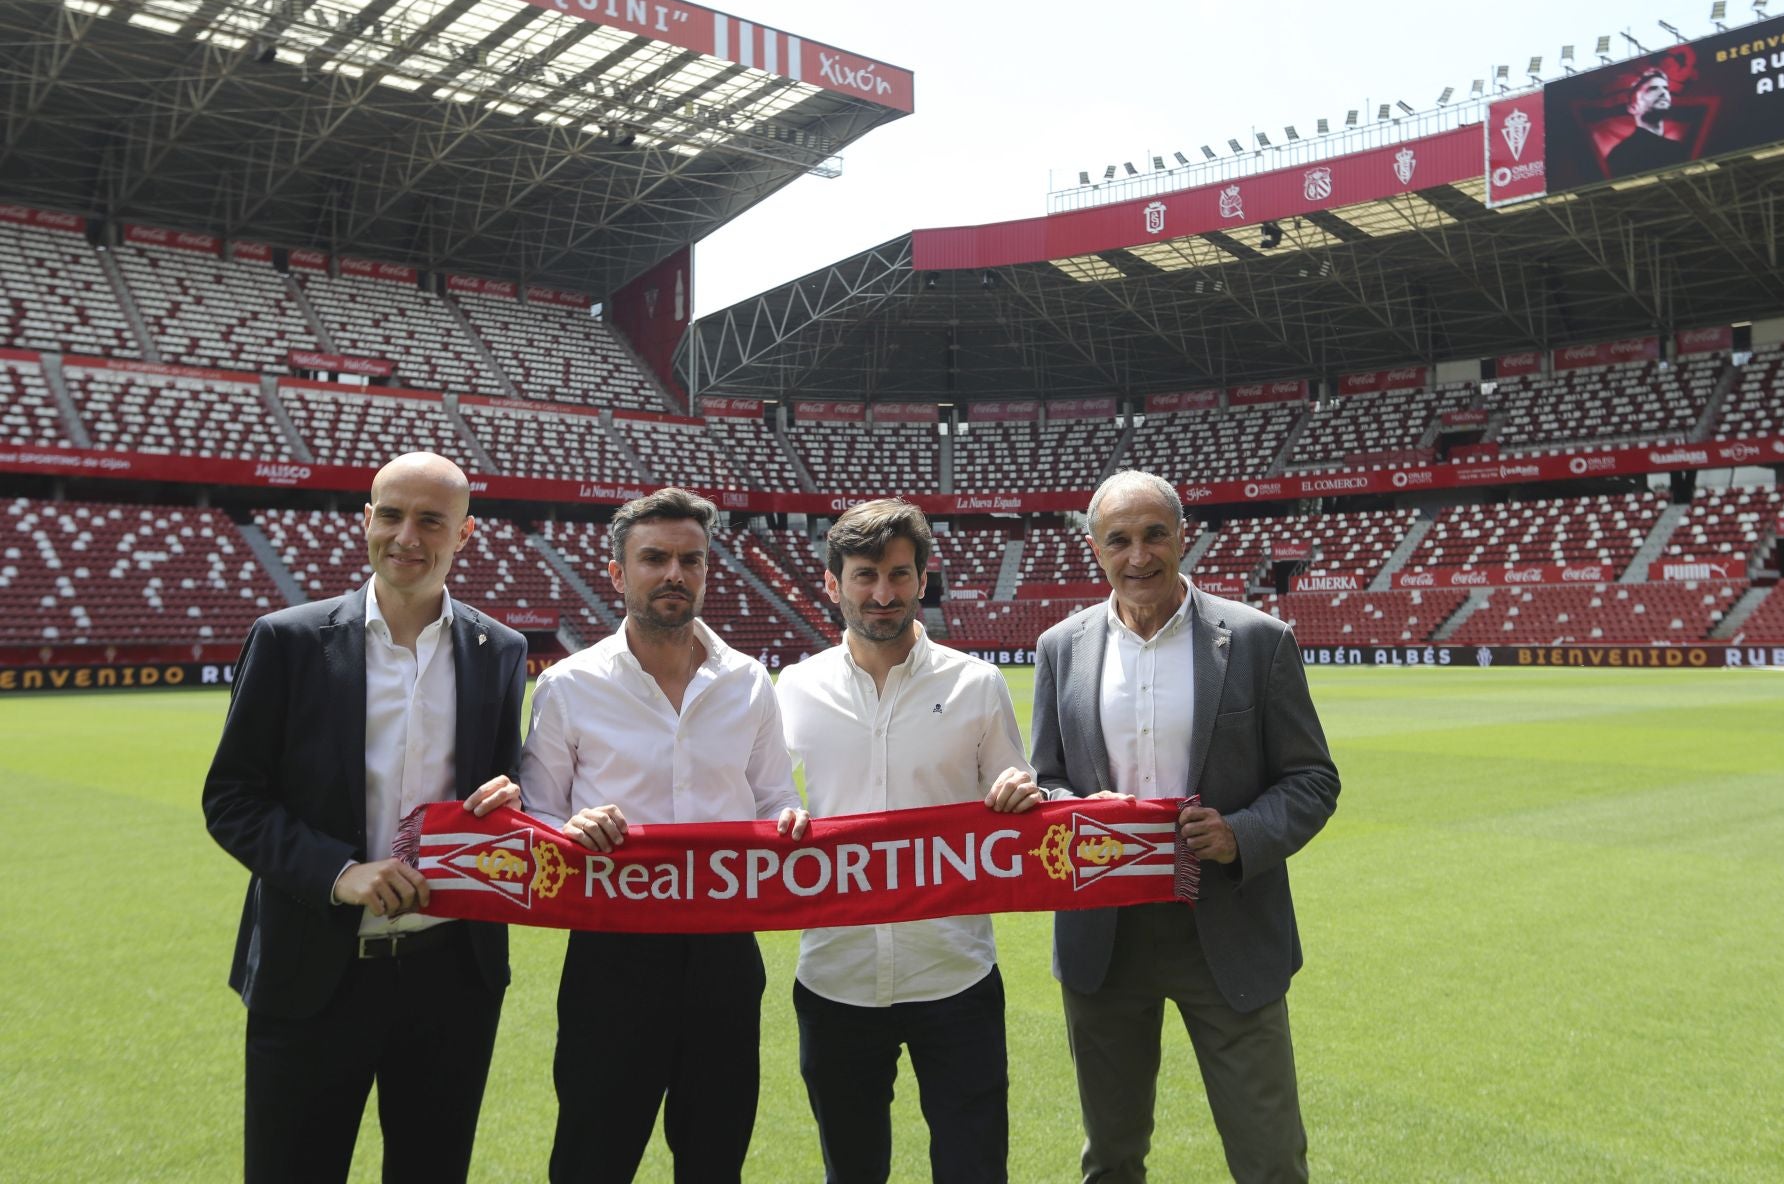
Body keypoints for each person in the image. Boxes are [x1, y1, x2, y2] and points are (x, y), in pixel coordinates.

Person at [203, 451, 529, 1183]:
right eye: (390, 514)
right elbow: (232, 799)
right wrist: (340, 873)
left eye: (430, 520)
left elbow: (508, 793)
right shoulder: (288, 639)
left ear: (465, 535)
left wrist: (510, 806)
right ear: (365, 522)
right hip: (314, 973)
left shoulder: (499, 650)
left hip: (453, 979)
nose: (406, 536)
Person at [1030, 470, 1341, 1184]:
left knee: (1270, 1161)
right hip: (1104, 941)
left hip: (1228, 929)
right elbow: (1047, 777)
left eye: (1154, 535)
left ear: (1183, 536)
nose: (1138, 556)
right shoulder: (1060, 648)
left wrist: (1240, 833)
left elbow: (1313, 780)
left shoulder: (1260, 640)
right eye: (1119, 540)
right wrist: (1075, 811)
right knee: (1111, 1158)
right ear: (1094, 549)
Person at [520, 488, 810, 1184]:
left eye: (690, 559)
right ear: (619, 574)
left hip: (724, 958)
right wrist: (568, 829)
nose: (674, 574)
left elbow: (773, 798)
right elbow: (532, 821)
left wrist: (790, 822)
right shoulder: (567, 686)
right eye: (654, 559)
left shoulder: (747, 682)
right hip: (611, 959)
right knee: (593, 1156)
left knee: (715, 1158)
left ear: (708, 571)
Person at [776, 499, 1041, 1184]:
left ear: (922, 580)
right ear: (834, 585)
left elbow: (1016, 792)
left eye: (899, 574)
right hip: (837, 976)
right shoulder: (795, 689)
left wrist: (1019, 790)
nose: (883, 594)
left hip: (954, 972)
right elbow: (761, 804)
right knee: (853, 1171)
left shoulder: (977, 685)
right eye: (865, 575)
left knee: (974, 1169)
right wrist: (780, 819)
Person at [1604, 68, 1689, 177]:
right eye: (1652, 89)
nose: (1663, 92)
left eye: (1666, 88)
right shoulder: (1622, 154)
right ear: (1632, 107)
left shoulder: (1677, 149)